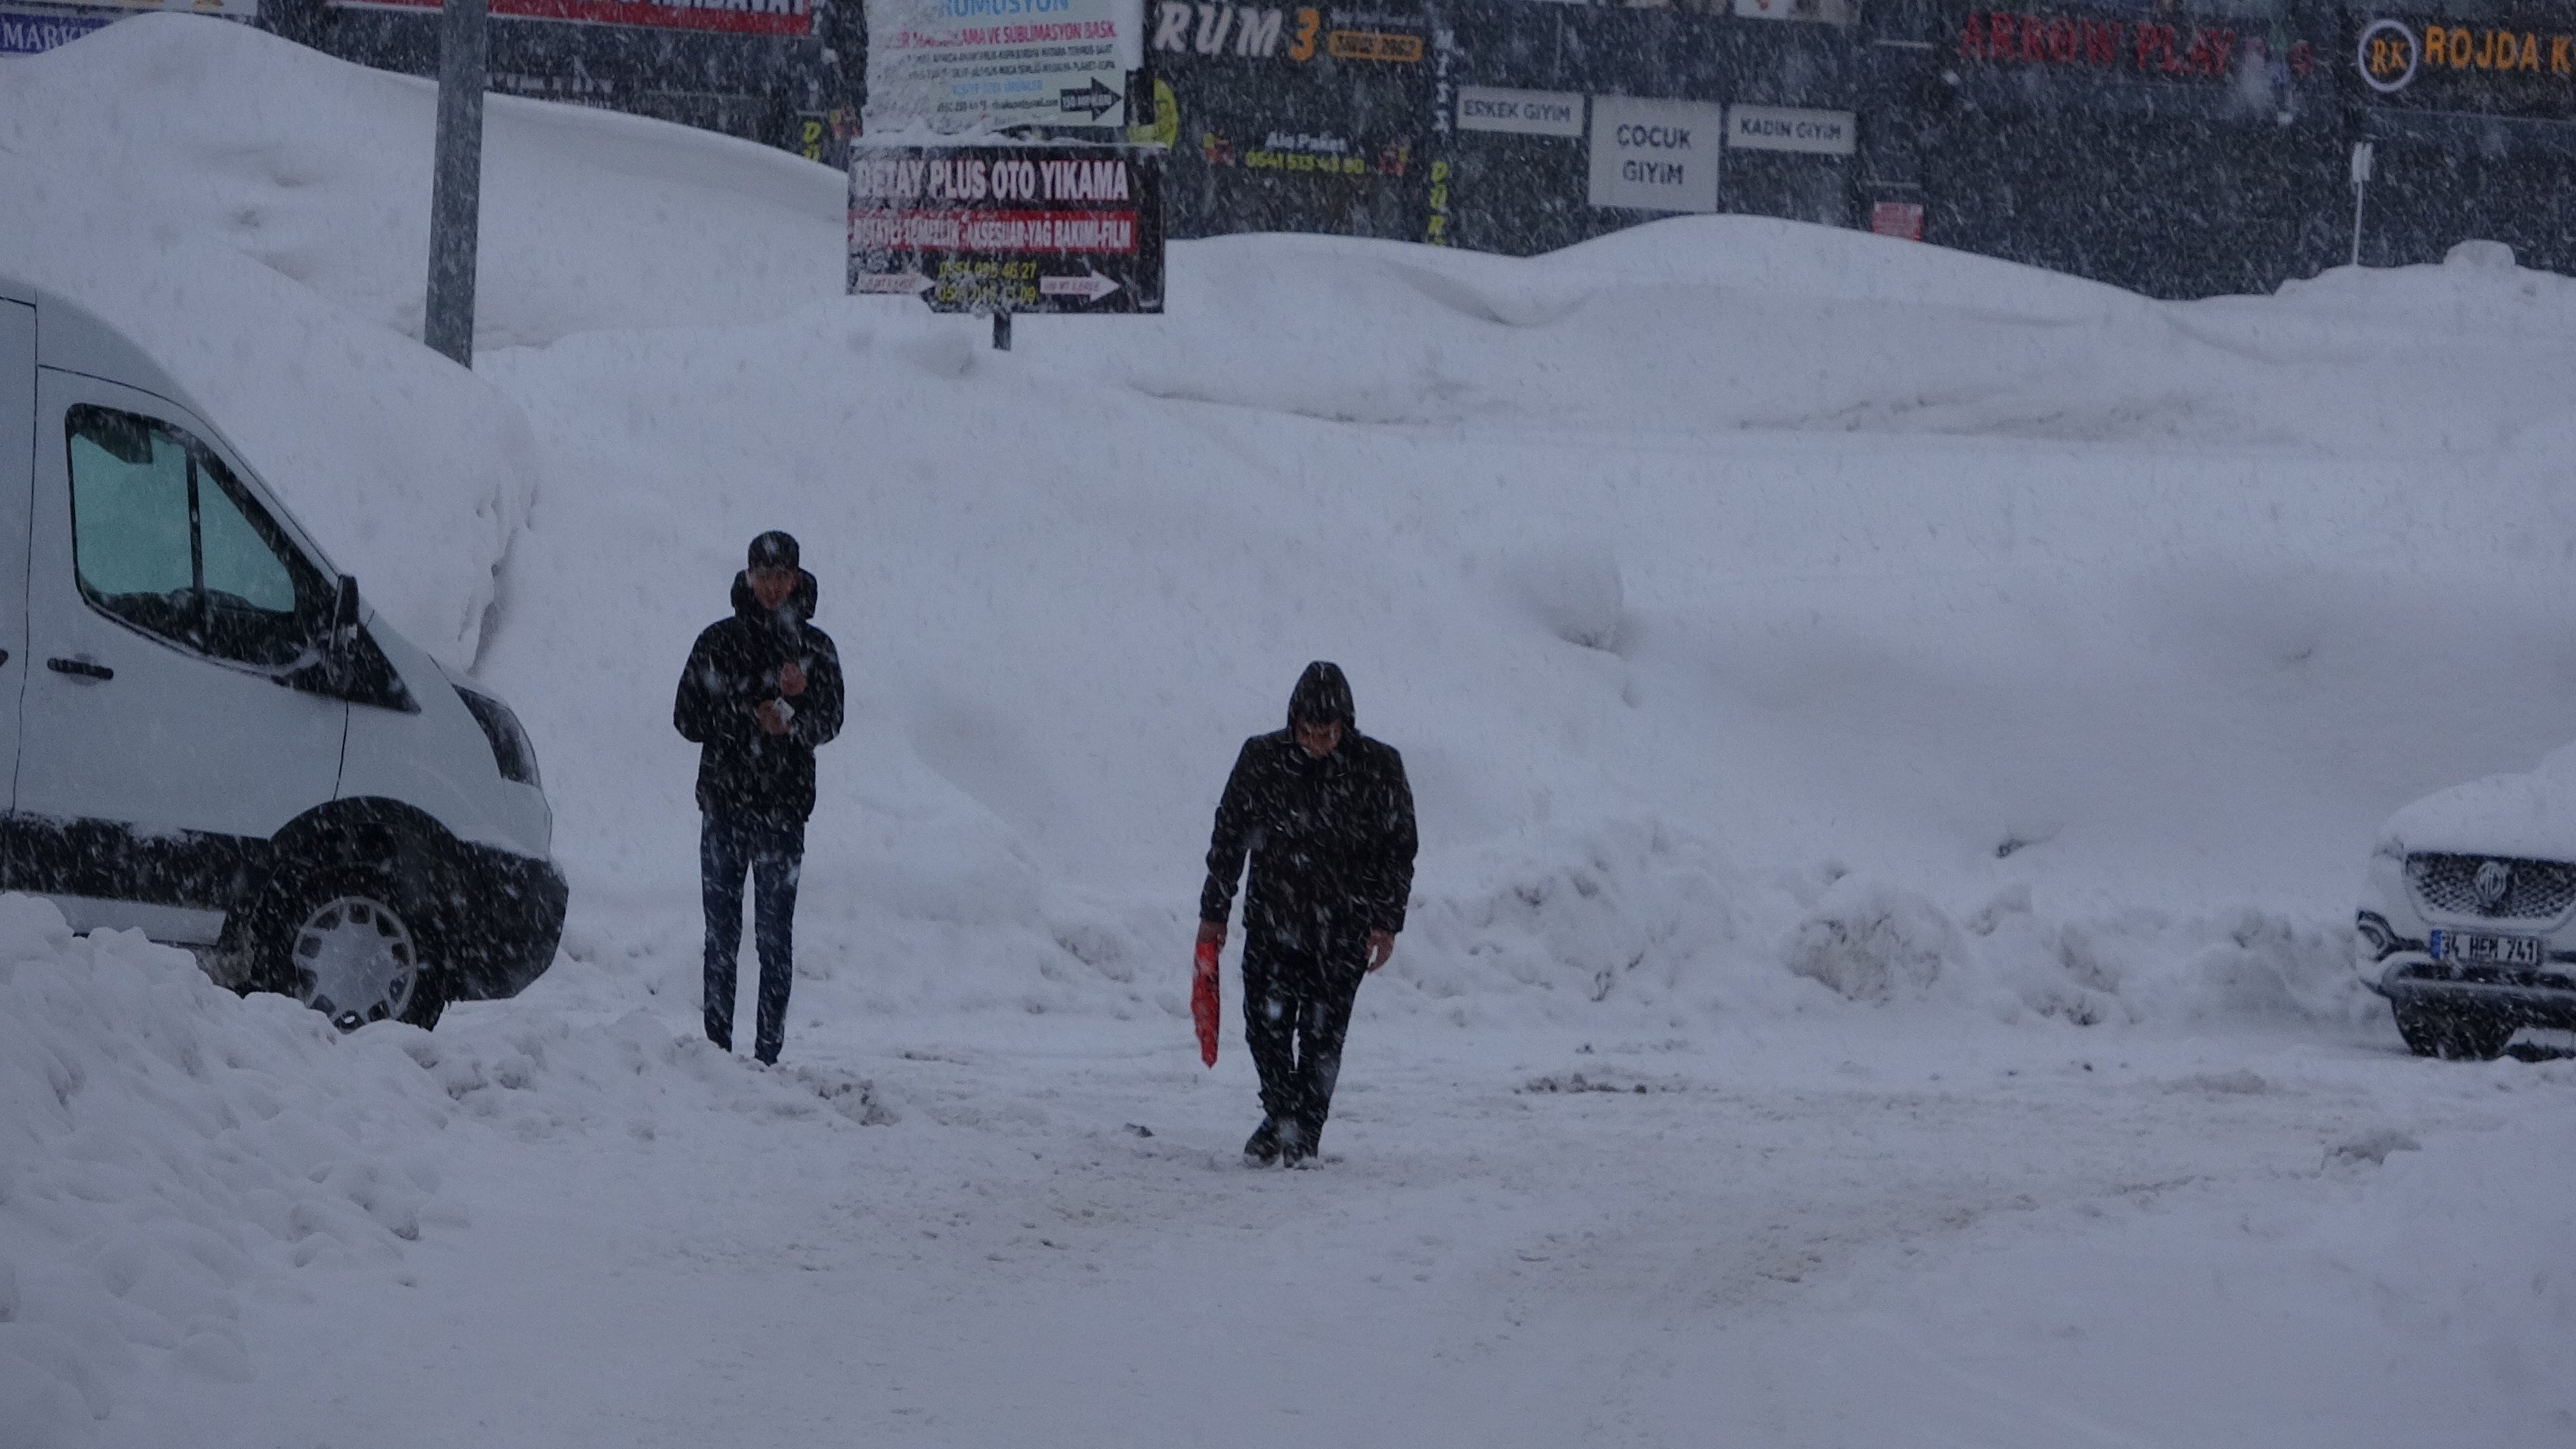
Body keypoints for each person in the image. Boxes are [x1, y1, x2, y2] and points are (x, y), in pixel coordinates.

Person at [1198, 661, 1417, 1167]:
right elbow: (1228, 837)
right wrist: (1215, 912)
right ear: (1292, 721)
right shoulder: (1261, 760)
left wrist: (1386, 920)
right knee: (1265, 1029)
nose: (1318, 743)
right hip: (1273, 920)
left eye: (1328, 734)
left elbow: (1399, 849)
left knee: (1323, 1037)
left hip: (1344, 928)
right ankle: (1282, 1115)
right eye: (1308, 733)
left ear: (1346, 725)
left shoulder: (1378, 768)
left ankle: (1302, 1137)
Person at [674, 531, 845, 1065]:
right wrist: (748, 716)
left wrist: (794, 714)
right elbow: (685, 717)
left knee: (774, 939)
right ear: (748, 576)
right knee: (720, 936)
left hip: (783, 812)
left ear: (796, 578)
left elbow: (832, 721)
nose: (771, 585)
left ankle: (769, 1055)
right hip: (724, 806)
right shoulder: (717, 641)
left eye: (781, 574)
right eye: (762, 573)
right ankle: (716, 1054)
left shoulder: (815, 648)